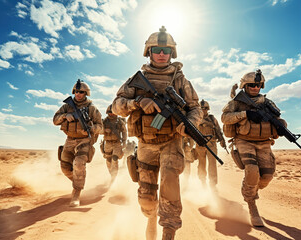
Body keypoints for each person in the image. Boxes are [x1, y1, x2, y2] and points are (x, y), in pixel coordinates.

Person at [112, 26, 202, 240]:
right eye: (157, 49)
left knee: (170, 182)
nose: (162, 54)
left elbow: (196, 107)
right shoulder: (137, 80)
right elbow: (116, 106)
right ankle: (151, 219)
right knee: (146, 198)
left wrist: (189, 123)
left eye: (166, 50)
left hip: (172, 141)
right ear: (149, 52)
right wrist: (138, 102)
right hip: (145, 144)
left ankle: (168, 232)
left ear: (172, 54)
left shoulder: (180, 80)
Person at [221, 70, 287, 227]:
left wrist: (282, 127)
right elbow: (225, 118)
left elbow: (277, 119)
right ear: (245, 85)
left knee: (266, 177)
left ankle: (251, 189)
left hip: (264, 142)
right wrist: (245, 114)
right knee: (252, 170)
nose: (255, 87)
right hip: (244, 141)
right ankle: (252, 205)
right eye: (251, 85)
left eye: (258, 85)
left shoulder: (267, 103)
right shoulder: (236, 103)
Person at [53, 79, 103, 207]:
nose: (78, 94)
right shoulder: (67, 106)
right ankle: (77, 181)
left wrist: (91, 129)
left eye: (81, 92)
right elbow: (55, 120)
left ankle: (76, 192)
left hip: (84, 140)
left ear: (86, 93)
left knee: (79, 163)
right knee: (65, 168)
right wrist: (65, 116)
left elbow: (100, 127)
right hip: (69, 140)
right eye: (76, 91)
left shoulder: (92, 108)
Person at [195, 99, 226, 190]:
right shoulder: (195, 118)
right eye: (201, 108)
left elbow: (218, 130)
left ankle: (213, 184)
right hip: (200, 145)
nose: (203, 110)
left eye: (205, 108)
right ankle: (202, 181)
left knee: (212, 164)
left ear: (208, 109)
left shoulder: (212, 119)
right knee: (201, 164)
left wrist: (222, 140)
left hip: (211, 144)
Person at [100, 104, 127, 183]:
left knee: (115, 159)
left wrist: (124, 142)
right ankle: (111, 175)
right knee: (108, 160)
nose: (112, 114)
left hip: (117, 143)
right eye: (110, 113)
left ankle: (114, 177)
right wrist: (104, 130)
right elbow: (99, 131)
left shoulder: (120, 122)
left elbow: (124, 132)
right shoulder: (104, 121)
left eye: (113, 112)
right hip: (107, 143)